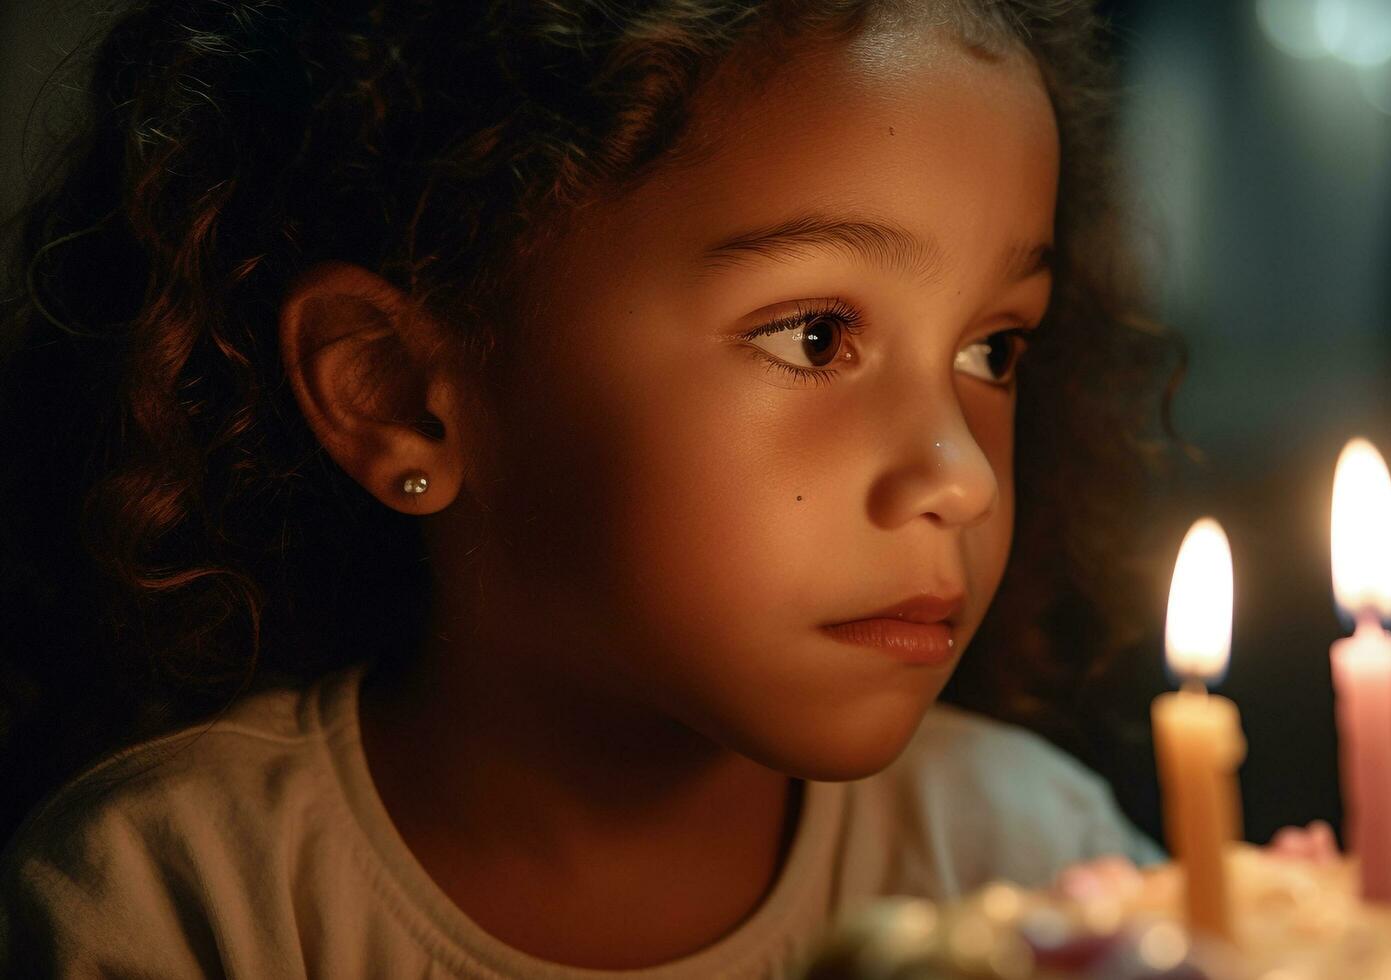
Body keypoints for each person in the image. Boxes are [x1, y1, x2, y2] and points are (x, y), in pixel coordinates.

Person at [0, 0, 1177, 975]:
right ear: (400, 392)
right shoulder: (176, 902)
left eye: (993, 349)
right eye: (814, 335)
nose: (961, 477)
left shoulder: (1037, 859)